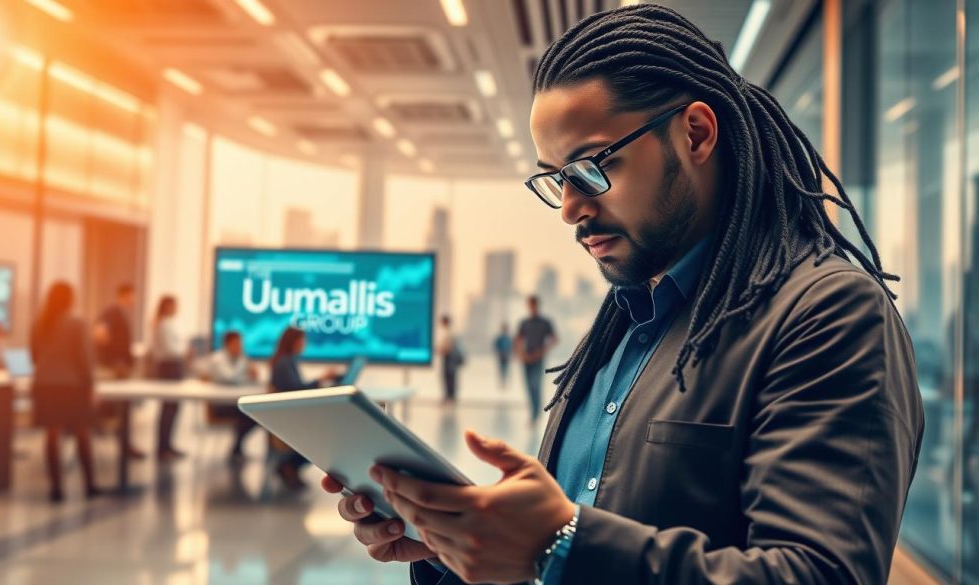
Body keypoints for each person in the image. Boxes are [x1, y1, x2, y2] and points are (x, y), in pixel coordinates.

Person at [322, 5, 924, 585]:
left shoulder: (829, 315)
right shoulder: (625, 327)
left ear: (694, 133)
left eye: (590, 168)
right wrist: (462, 547)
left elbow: (817, 575)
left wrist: (553, 546)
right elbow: (566, 558)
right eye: (556, 178)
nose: (569, 208)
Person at [31, 282, 105, 502]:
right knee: (83, 433)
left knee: (52, 436)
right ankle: (89, 485)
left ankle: (56, 488)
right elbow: (84, 358)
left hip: (45, 384)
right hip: (73, 385)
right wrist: (91, 384)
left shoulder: (40, 323)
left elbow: (34, 354)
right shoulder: (78, 322)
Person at [269, 326, 339, 489]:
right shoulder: (284, 363)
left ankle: (289, 466)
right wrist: (321, 379)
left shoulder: (288, 360)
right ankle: (288, 465)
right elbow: (296, 389)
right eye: (302, 340)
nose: (304, 344)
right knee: (324, 435)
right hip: (288, 417)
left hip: (290, 414)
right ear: (293, 342)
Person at [94, 283, 144, 459]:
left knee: (125, 408)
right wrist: (113, 360)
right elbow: (99, 334)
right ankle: (123, 445)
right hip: (114, 369)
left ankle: (125, 445)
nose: (134, 300)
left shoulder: (121, 313)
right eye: (132, 296)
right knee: (121, 408)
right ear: (124, 295)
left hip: (120, 368)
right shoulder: (112, 312)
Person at [207, 330, 259, 461]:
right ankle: (236, 448)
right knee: (248, 414)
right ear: (228, 343)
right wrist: (244, 364)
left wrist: (250, 375)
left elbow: (242, 380)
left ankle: (236, 447)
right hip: (220, 405)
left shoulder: (239, 359)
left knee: (255, 414)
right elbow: (229, 378)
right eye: (237, 343)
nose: (240, 346)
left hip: (234, 402)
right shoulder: (217, 358)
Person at [150, 295, 186, 461]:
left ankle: (167, 445)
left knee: (171, 409)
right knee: (168, 409)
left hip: (171, 367)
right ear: (167, 307)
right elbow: (170, 350)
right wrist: (185, 352)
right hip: (169, 367)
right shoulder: (164, 325)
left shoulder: (166, 324)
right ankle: (163, 448)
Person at [515, 296, 558, 424]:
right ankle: (532, 413)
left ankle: (536, 415)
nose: (531, 307)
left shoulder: (545, 322)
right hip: (526, 359)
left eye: (533, 305)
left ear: (537, 305)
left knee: (536, 385)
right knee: (528, 386)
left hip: (538, 359)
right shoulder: (524, 323)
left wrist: (542, 352)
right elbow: (517, 340)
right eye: (530, 305)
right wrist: (521, 354)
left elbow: (554, 339)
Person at [436, 315, 463, 407]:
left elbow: (447, 347)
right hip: (449, 359)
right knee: (449, 378)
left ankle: (449, 397)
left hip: (449, 359)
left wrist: (439, 350)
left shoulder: (448, 333)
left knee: (449, 378)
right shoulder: (450, 332)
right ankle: (450, 397)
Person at [492, 323, 512, 389]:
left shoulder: (508, 338)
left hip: (507, 356)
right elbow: (496, 346)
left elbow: (511, 347)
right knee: (501, 370)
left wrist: (510, 354)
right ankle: (502, 383)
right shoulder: (499, 338)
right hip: (501, 356)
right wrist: (499, 353)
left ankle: (506, 383)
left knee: (506, 370)